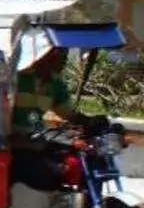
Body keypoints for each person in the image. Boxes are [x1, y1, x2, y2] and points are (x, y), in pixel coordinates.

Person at [8, 31, 101, 193]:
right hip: (14, 147)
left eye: (62, 51)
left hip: (40, 142)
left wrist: (93, 122)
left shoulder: (56, 83)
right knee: (40, 172)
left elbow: (69, 114)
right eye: (57, 51)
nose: (62, 56)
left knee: (87, 160)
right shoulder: (17, 78)